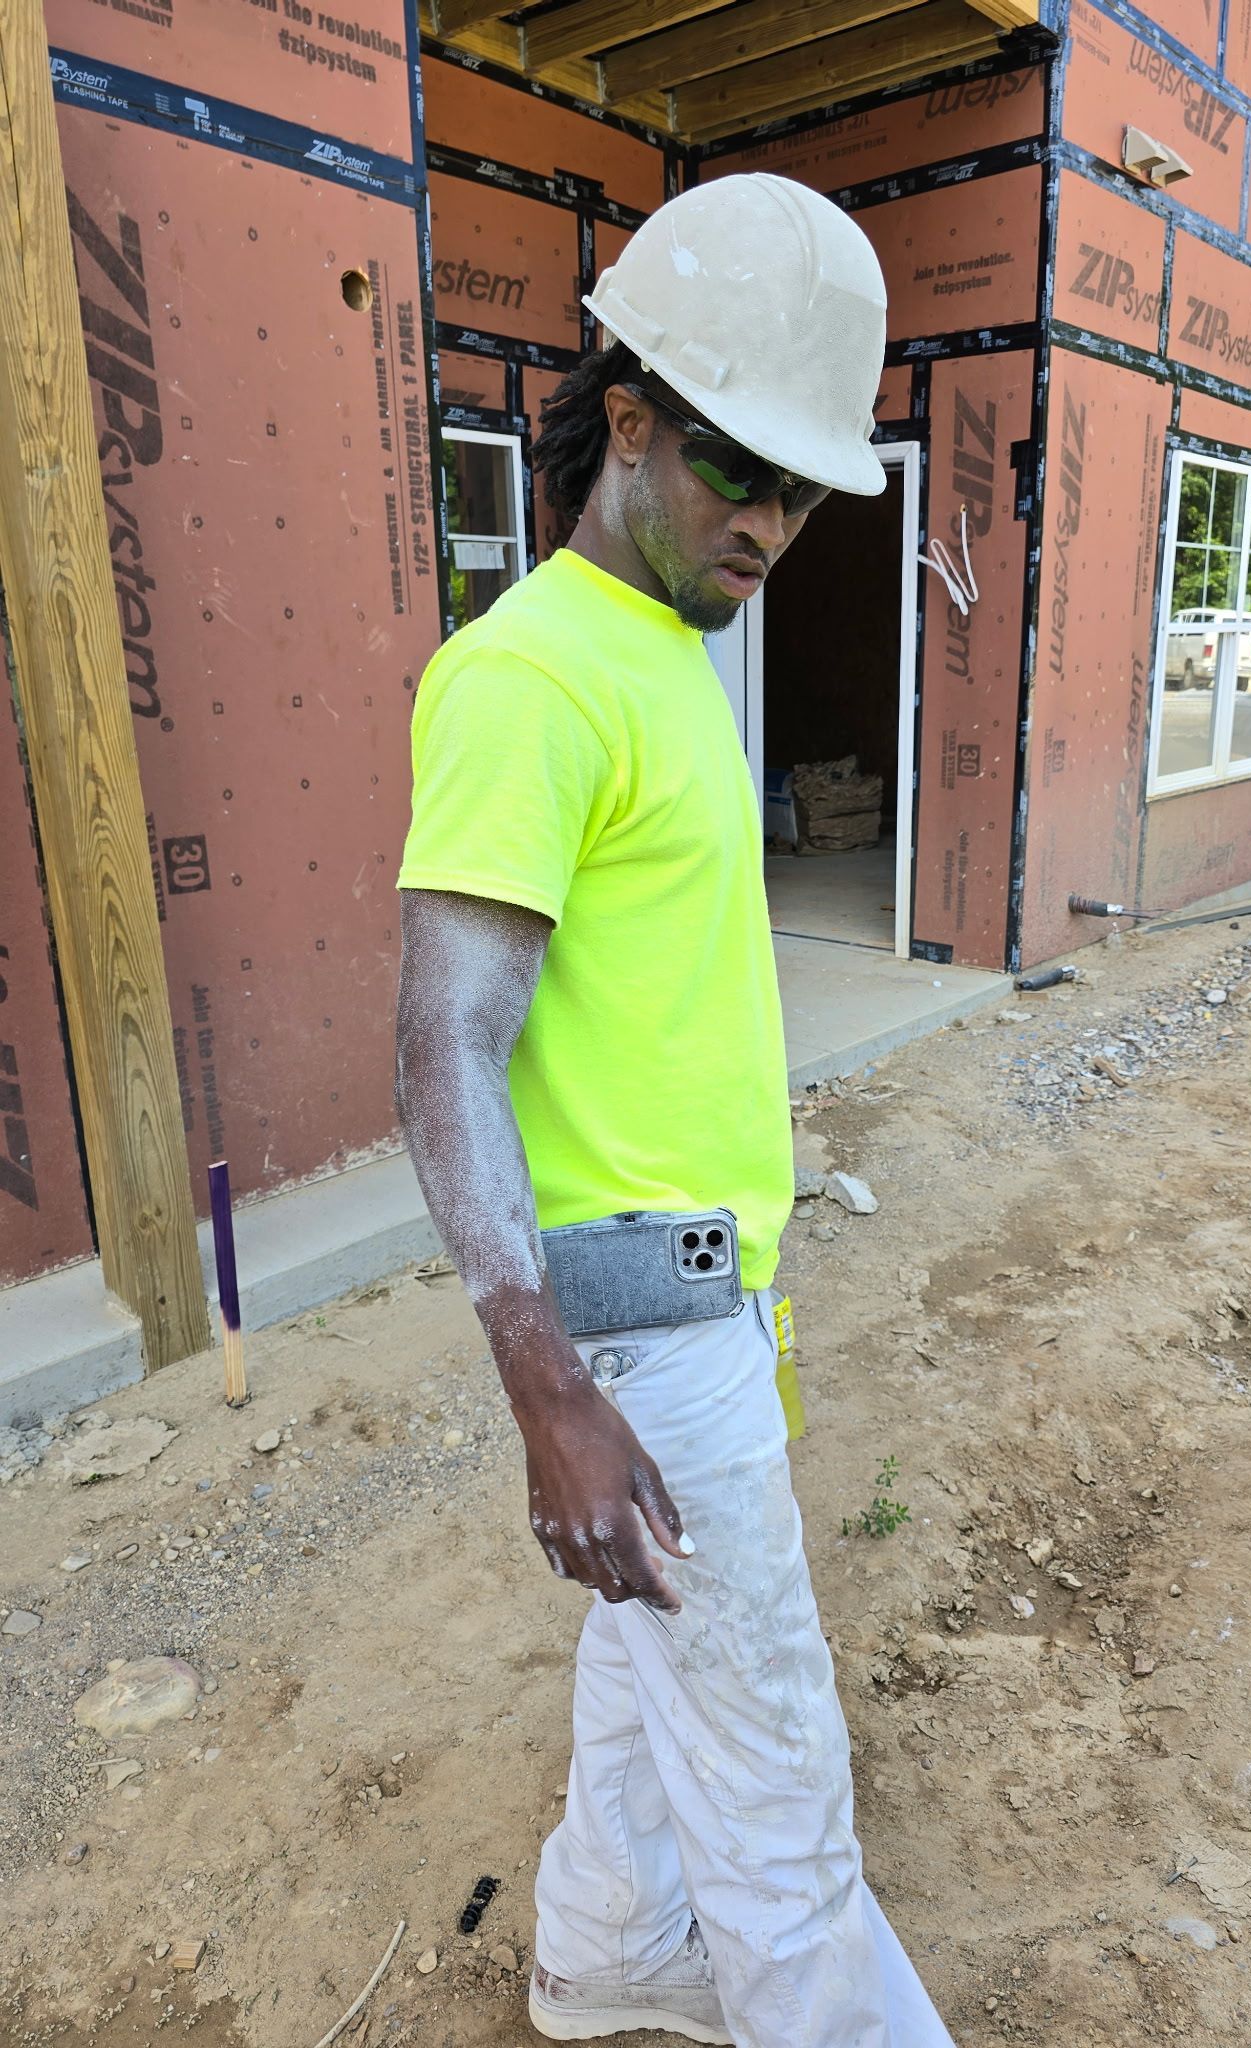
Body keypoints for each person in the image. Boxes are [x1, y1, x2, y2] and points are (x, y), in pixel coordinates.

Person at [395, 173, 954, 2048]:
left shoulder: (663, 651)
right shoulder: (531, 679)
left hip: (701, 1303)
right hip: (635, 1342)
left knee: (654, 1690)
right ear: (626, 419)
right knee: (781, 1795)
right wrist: (544, 1381)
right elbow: (446, 1044)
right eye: (741, 473)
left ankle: (610, 1951)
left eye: (803, 490)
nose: (775, 526)